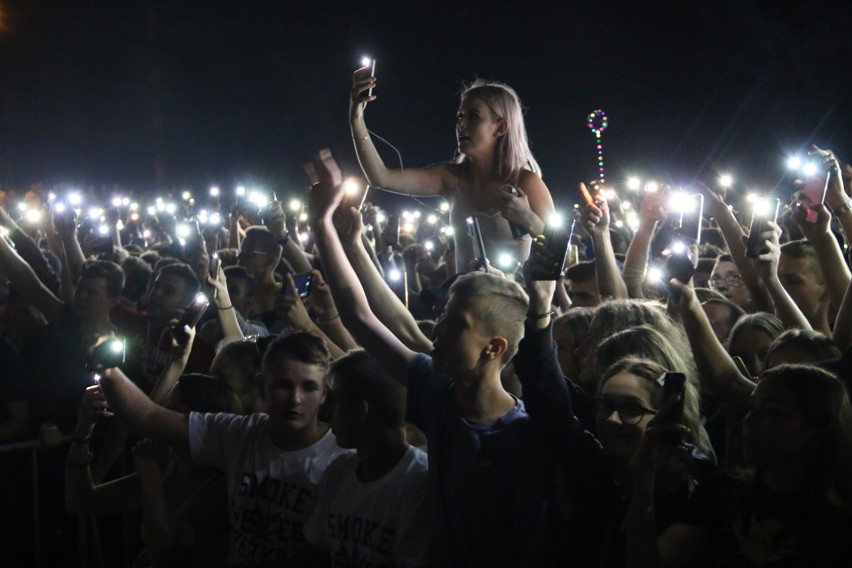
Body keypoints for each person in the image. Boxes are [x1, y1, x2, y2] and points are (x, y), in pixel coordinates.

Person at [309, 151, 553, 566]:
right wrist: (324, 226)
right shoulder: (438, 394)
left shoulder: (526, 438)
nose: (436, 331)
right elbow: (359, 314)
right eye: (441, 318)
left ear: (494, 348)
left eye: (455, 324)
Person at [97, 332, 350, 565]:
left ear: (325, 393)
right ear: (262, 386)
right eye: (283, 385)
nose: (295, 399)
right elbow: (148, 417)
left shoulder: (341, 458)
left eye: (309, 387)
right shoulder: (242, 434)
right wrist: (105, 366)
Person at [625, 364, 852, 566]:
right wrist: (644, 477)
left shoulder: (838, 526)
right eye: (752, 406)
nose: (749, 420)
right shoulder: (724, 492)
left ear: (816, 434)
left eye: (772, 411)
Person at [350, 68, 554, 273]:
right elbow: (381, 178)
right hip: (461, 300)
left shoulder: (525, 183)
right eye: (460, 116)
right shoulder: (450, 178)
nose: (461, 125)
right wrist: (356, 119)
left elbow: (558, 254)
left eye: (473, 117)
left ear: (500, 127)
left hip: (512, 302)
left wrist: (530, 220)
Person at [65, 374, 244, 567]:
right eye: (165, 405)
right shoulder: (169, 466)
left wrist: (151, 482)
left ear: (201, 421)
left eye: (173, 408)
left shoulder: (218, 487)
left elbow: (165, 560)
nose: (163, 413)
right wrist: (83, 431)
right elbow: (82, 501)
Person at [304, 350, 430, 566]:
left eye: (337, 402)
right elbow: (317, 550)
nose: (329, 413)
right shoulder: (339, 469)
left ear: (361, 411)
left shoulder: (419, 481)